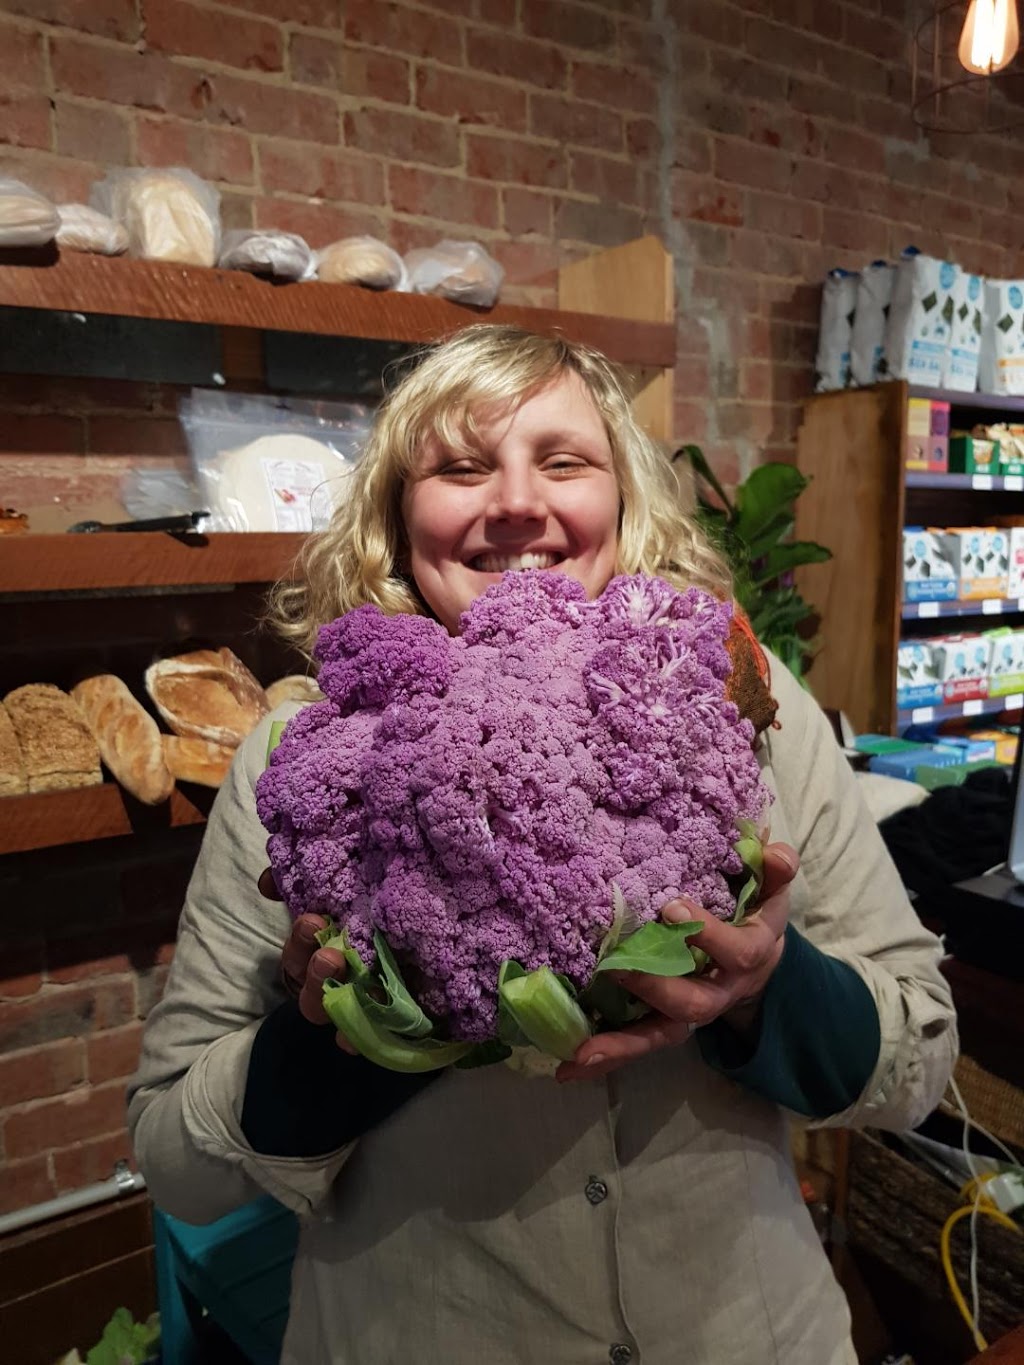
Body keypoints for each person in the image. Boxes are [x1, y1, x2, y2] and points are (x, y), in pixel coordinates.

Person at [128, 325, 957, 1365]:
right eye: (461, 468)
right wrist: (343, 1036)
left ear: (624, 501)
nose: (517, 502)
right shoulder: (300, 757)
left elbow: (919, 1057)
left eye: (563, 461)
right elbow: (176, 1162)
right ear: (398, 515)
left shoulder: (746, 707)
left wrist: (765, 993)